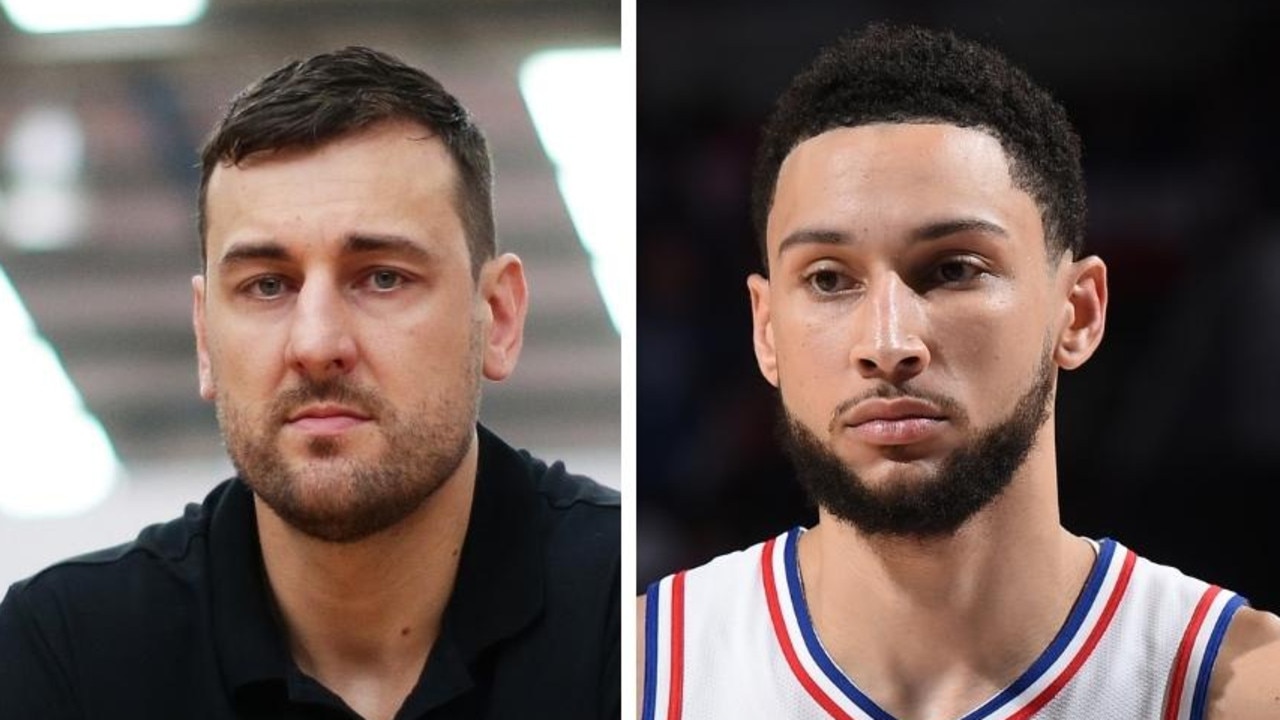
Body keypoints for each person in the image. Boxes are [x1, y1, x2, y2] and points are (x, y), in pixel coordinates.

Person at [638, 24, 1280, 720]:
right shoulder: (638, 672)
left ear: (1079, 312)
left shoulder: (1242, 688)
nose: (887, 343)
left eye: (952, 270)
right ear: (766, 330)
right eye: (828, 279)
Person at [0, 47, 619, 720]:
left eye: (383, 277)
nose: (318, 344)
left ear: (497, 316)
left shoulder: (632, 622)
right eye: (267, 286)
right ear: (206, 340)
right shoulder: (66, 657)